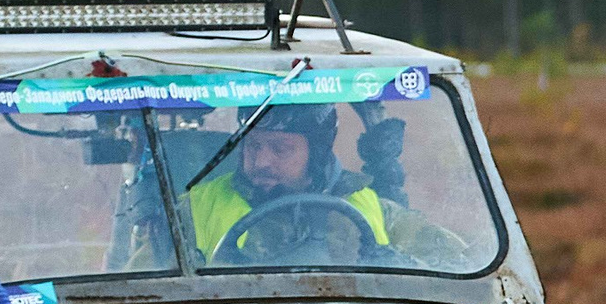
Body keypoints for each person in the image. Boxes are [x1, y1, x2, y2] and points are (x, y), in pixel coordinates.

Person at [184, 102, 463, 269]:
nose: (261, 161)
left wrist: (397, 266)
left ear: (317, 153)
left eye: (280, 149)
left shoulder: (368, 205)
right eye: (253, 145)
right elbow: (152, 287)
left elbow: (459, 266)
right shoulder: (193, 208)